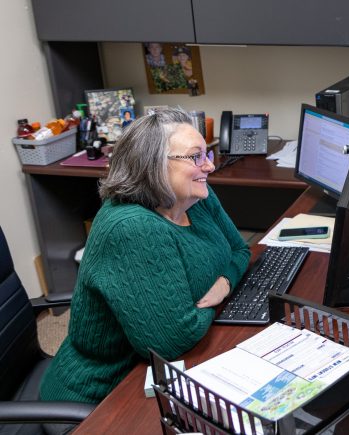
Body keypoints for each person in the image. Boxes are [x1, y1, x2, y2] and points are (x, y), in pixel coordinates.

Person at [40, 107, 250, 404]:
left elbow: (240, 251)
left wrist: (224, 285)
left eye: (208, 155)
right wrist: (204, 303)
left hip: (156, 370)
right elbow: (172, 340)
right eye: (195, 157)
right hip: (103, 392)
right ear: (154, 165)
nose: (209, 167)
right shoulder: (132, 228)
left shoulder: (195, 194)